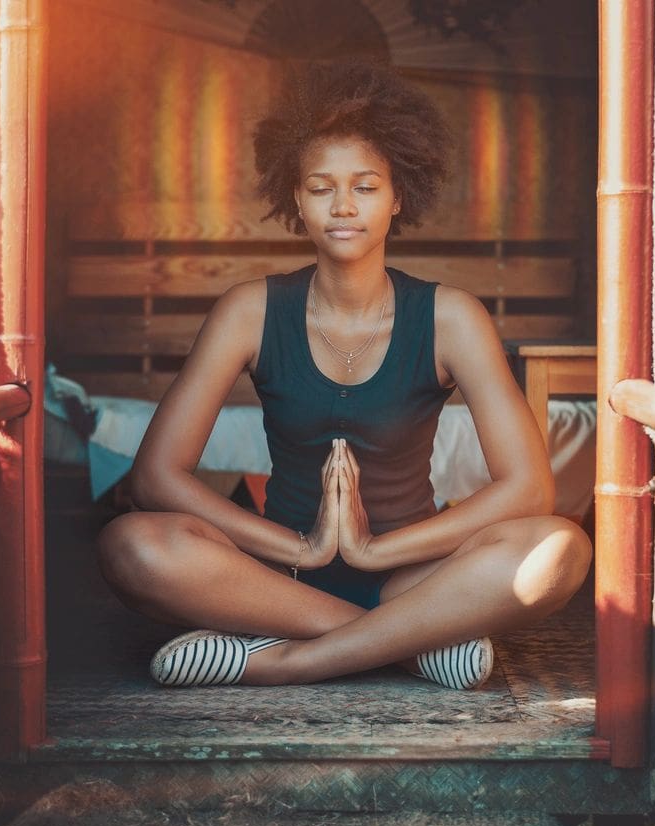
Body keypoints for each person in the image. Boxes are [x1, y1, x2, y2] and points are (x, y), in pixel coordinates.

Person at [97, 62, 591, 691]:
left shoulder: (451, 317)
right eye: (321, 187)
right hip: (274, 577)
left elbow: (528, 490)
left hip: (412, 573)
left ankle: (283, 658)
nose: (343, 206)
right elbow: (155, 478)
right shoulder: (249, 311)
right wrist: (303, 548)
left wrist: (371, 551)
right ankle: (412, 645)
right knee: (131, 545)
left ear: (398, 197)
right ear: (296, 200)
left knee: (559, 551)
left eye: (366, 186)